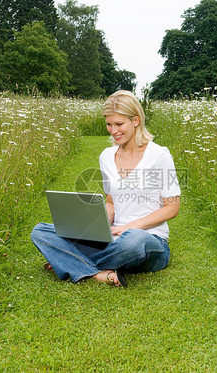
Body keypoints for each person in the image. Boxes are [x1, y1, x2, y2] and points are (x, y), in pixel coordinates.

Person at [30, 90, 181, 287]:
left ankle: (68, 260)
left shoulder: (159, 155)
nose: (113, 130)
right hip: (113, 239)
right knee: (40, 231)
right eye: (109, 124)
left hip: (148, 240)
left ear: (135, 120)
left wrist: (129, 226)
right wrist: (96, 229)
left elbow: (172, 207)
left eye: (119, 124)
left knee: (133, 242)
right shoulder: (106, 156)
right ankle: (98, 274)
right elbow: (111, 202)